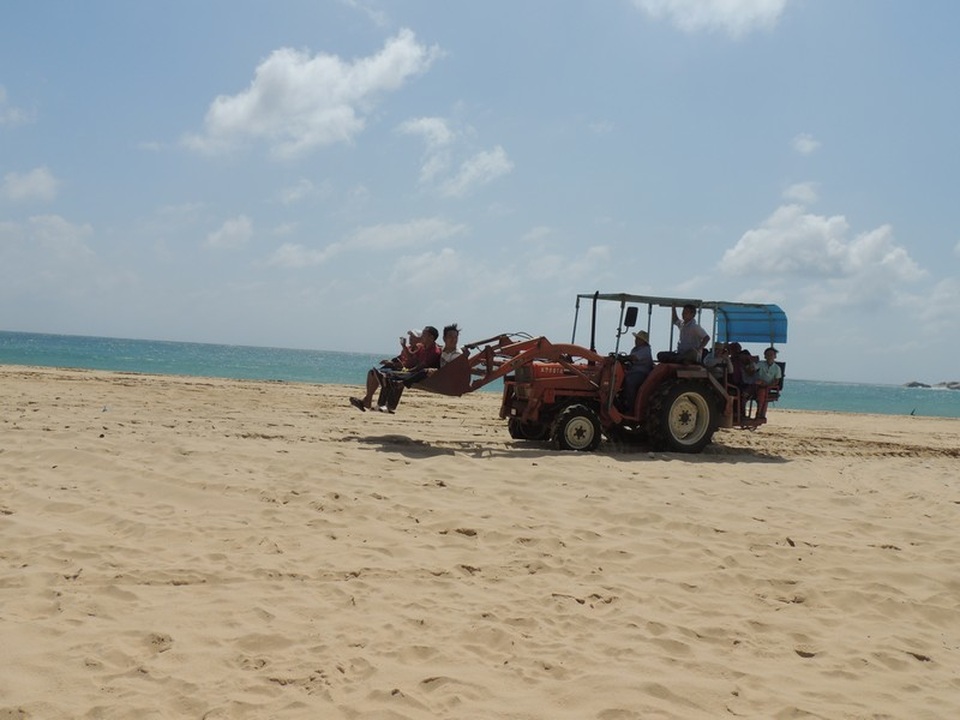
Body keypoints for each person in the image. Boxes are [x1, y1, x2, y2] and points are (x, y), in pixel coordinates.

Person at [350, 325, 441, 413]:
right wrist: (399, 362)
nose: (422, 337)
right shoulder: (423, 348)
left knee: (386, 377)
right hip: (412, 371)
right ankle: (370, 401)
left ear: (431, 337)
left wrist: (404, 368)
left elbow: (419, 366)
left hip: (421, 375)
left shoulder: (431, 350)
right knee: (375, 373)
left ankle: (383, 405)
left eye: (424, 334)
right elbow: (411, 361)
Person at [620, 329, 653, 410]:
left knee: (630, 381)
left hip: (641, 373)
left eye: (638, 339)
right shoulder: (635, 349)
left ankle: (630, 407)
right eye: (636, 338)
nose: (635, 340)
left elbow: (634, 357)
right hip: (632, 371)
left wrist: (624, 358)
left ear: (643, 341)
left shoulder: (645, 349)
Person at [754, 347, 783, 421]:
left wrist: (767, 385)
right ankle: (757, 414)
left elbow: (777, 380)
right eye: (768, 354)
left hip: (768, 387)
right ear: (765, 356)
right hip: (757, 385)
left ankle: (759, 413)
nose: (770, 356)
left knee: (763, 392)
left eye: (771, 354)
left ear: (775, 356)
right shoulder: (760, 364)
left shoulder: (777, 368)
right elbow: (753, 369)